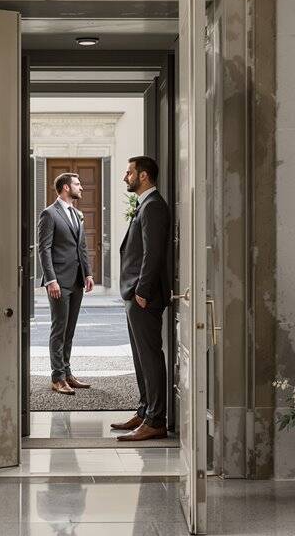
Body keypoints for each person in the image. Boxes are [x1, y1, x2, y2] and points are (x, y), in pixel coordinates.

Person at [112, 156, 170, 441]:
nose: (125, 177)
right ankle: (145, 409)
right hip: (135, 294)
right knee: (139, 356)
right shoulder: (145, 205)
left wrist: (142, 292)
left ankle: (156, 420)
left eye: (129, 172)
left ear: (143, 176)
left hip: (144, 296)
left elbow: (153, 253)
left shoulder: (154, 206)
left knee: (149, 357)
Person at [37, 172, 95, 395]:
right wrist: (51, 280)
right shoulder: (49, 214)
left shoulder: (78, 214)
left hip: (77, 280)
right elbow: (44, 248)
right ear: (64, 188)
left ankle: (68, 372)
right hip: (58, 282)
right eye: (77, 184)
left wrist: (88, 274)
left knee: (69, 331)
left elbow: (81, 246)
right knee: (59, 329)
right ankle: (57, 377)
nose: (82, 187)